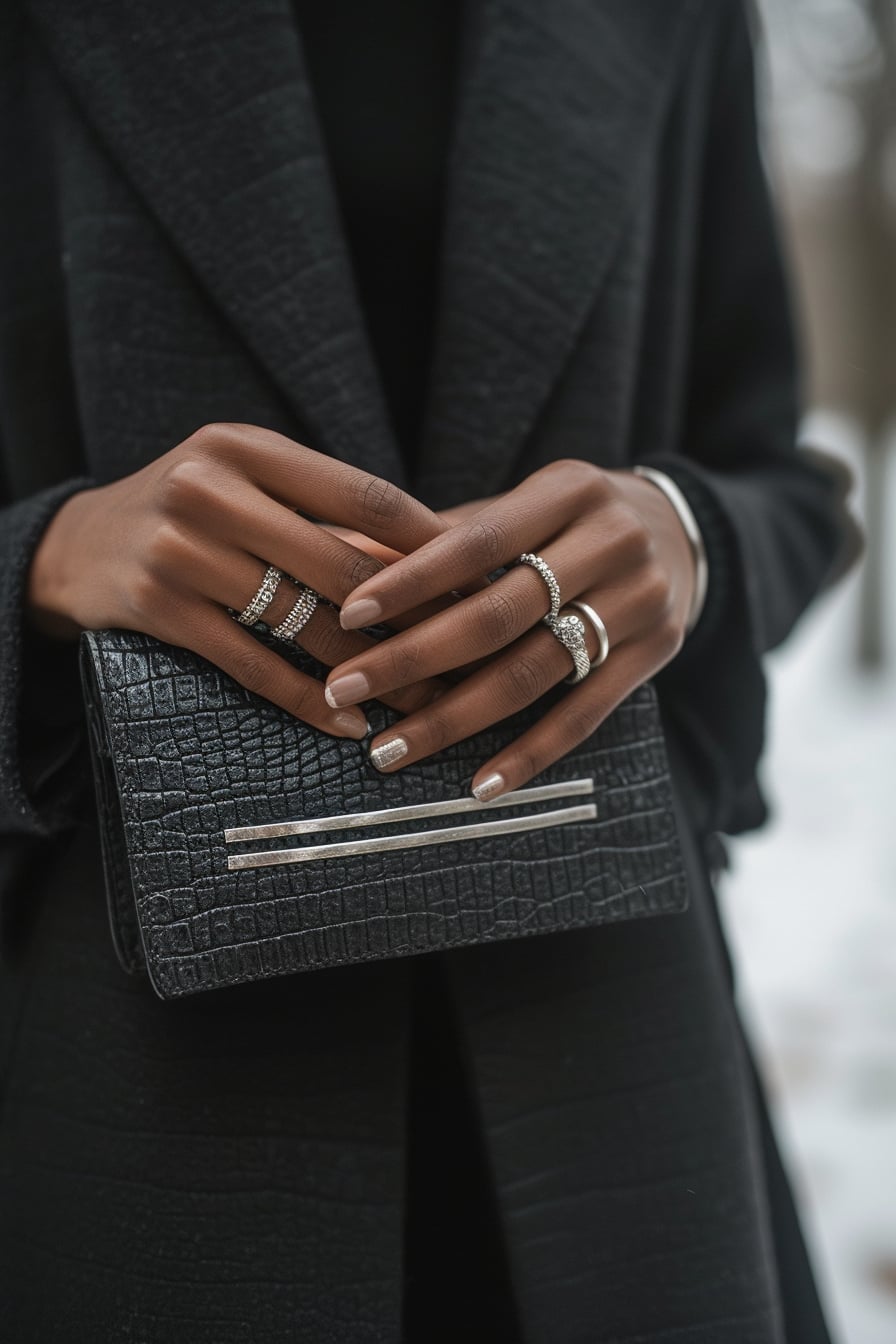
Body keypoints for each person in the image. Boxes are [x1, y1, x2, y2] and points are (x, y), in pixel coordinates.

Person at [0, 0, 858, 1340]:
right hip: (121, 1065)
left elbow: (788, 486)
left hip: (602, 1023)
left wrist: (685, 533)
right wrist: (45, 557)